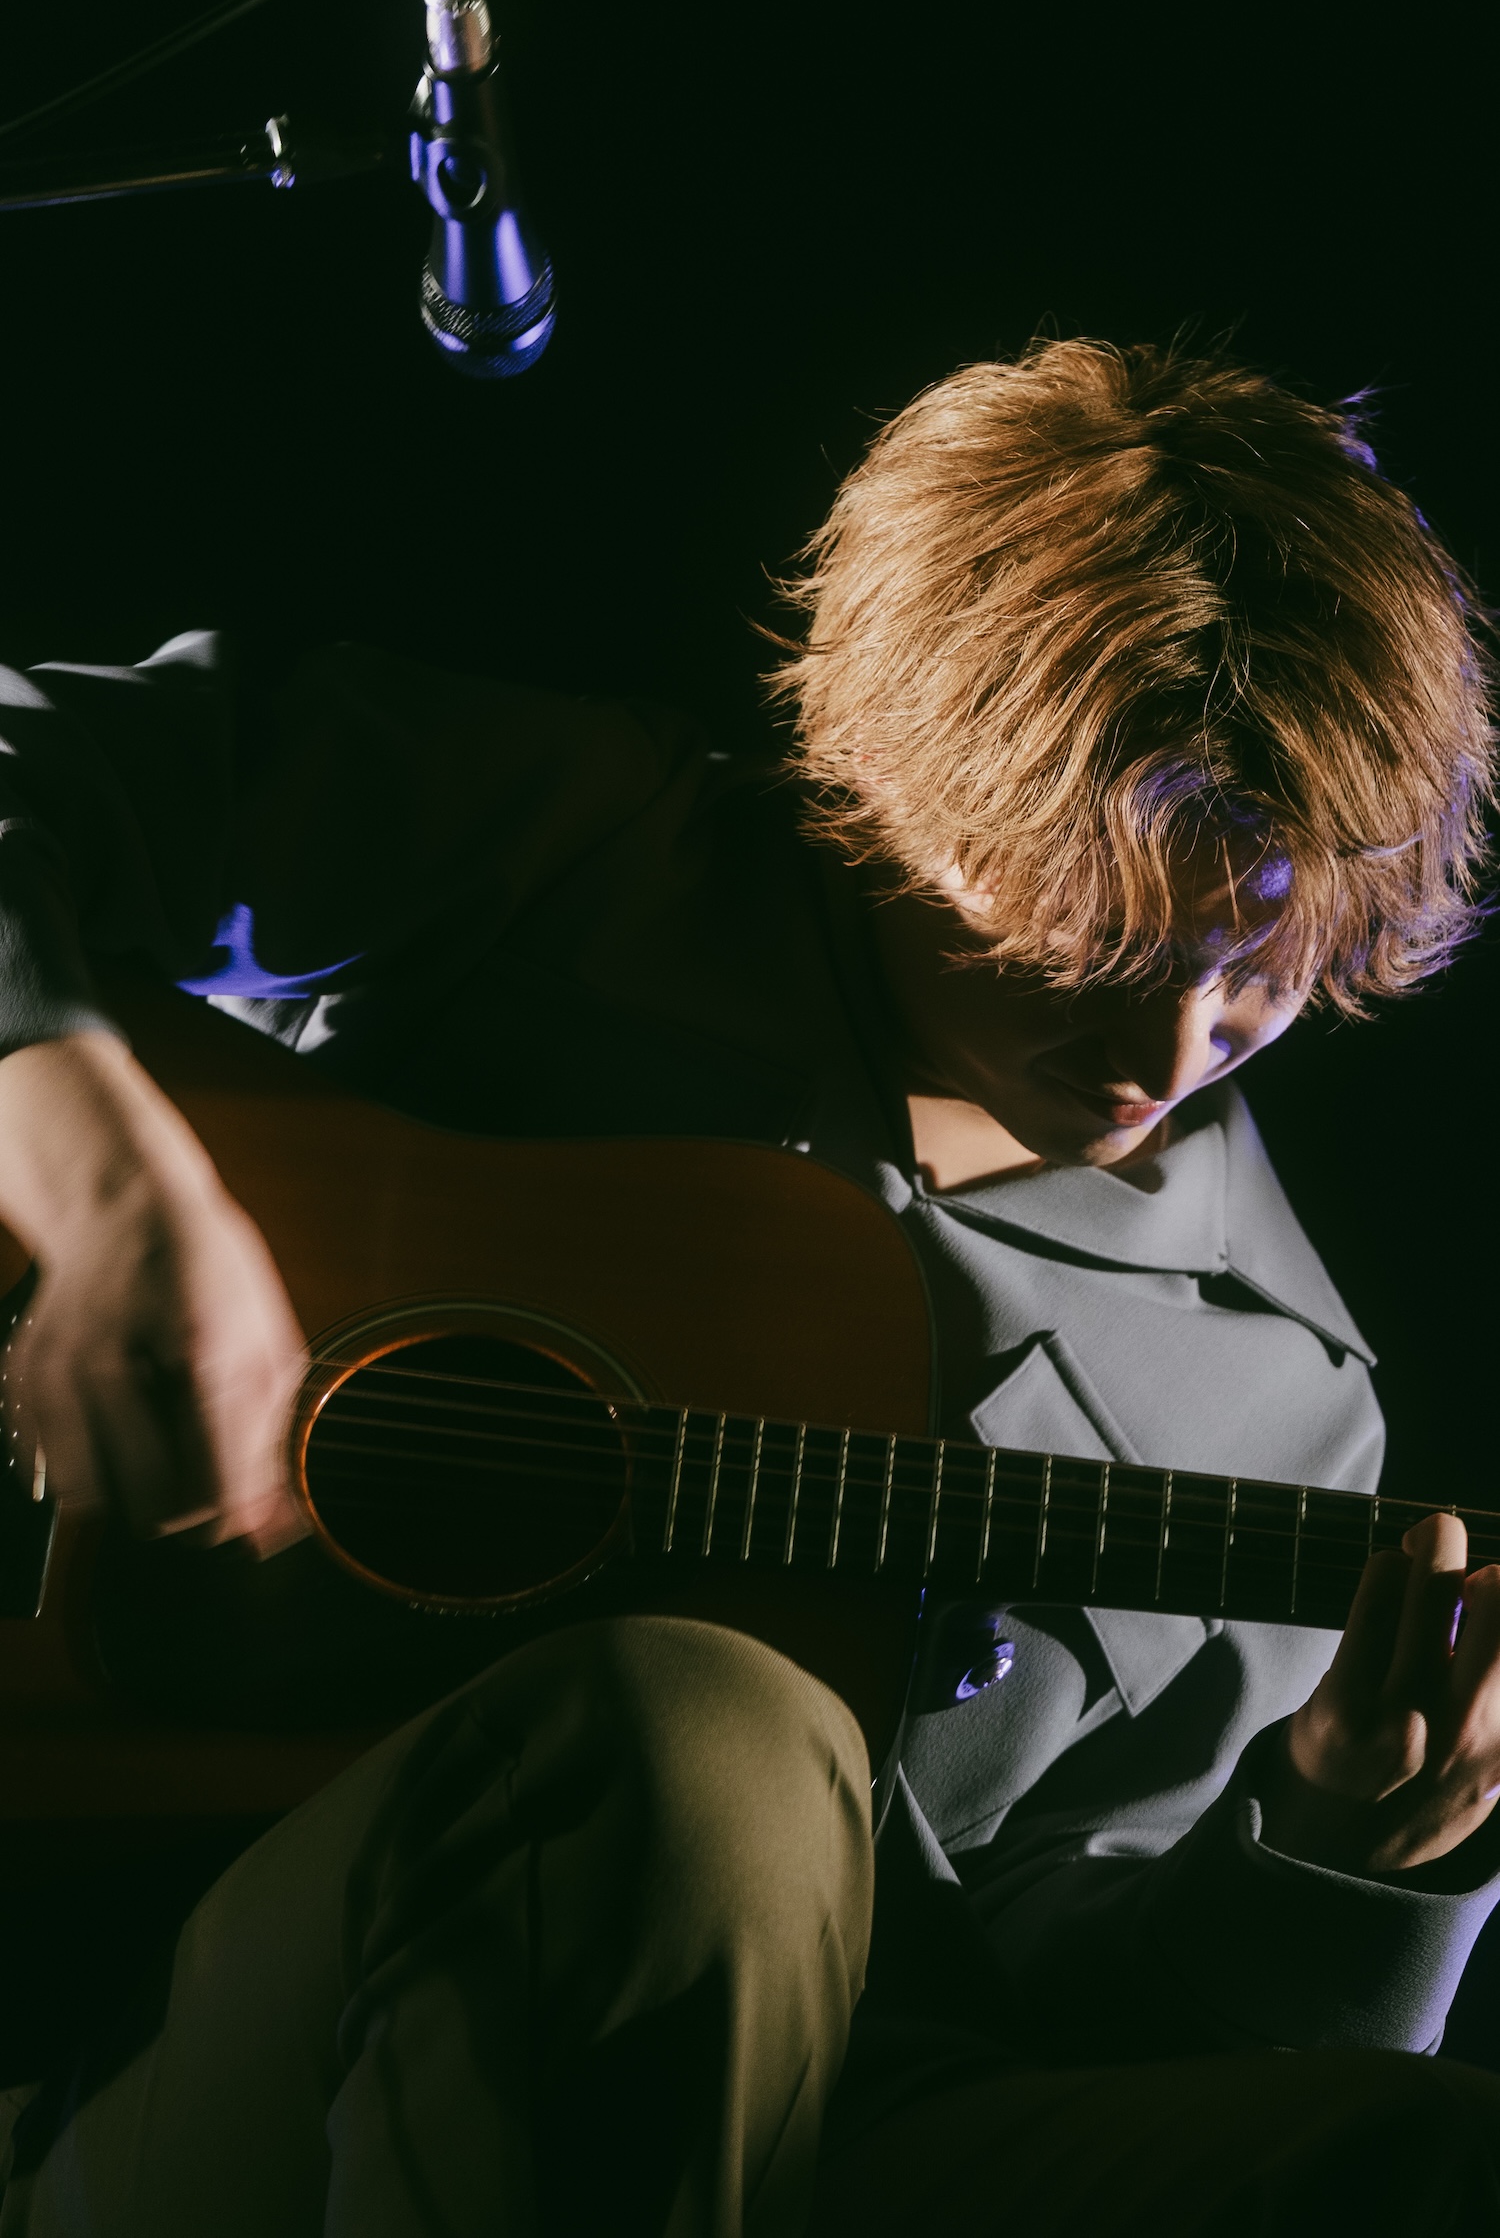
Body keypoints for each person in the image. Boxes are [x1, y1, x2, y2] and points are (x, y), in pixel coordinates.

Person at [0, 338, 1496, 2234]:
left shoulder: (1286, 1403)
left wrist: (1338, 1846)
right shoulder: (577, 849)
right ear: (903, 775)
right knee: (706, 1737)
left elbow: (1088, 2041)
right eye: (1090, 934)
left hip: (835, 2149)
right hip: (180, 2038)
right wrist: (97, 1178)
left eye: (1261, 961)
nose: (1170, 1042)